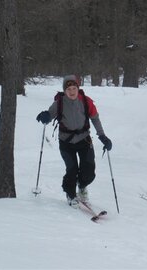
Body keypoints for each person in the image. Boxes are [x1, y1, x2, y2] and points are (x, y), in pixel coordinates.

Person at [36, 75, 112, 208]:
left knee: (88, 170)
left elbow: (95, 118)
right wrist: (45, 116)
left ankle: (82, 187)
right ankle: (70, 194)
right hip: (66, 142)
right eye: (69, 89)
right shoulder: (59, 103)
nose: (72, 91)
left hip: (84, 140)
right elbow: (49, 115)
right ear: (64, 91)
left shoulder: (86, 101)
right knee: (72, 169)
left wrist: (102, 136)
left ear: (78, 88)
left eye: (74, 88)